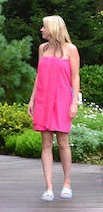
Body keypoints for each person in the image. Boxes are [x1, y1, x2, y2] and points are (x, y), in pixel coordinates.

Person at [28, 15, 80, 202]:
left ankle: (67, 183)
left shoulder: (71, 50)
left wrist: (74, 103)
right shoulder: (42, 49)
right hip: (43, 99)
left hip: (62, 100)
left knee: (63, 142)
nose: (41, 30)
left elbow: (75, 78)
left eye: (44, 27)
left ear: (53, 29)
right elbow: (39, 76)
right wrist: (32, 100)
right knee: (46, 144)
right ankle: (49, 186)